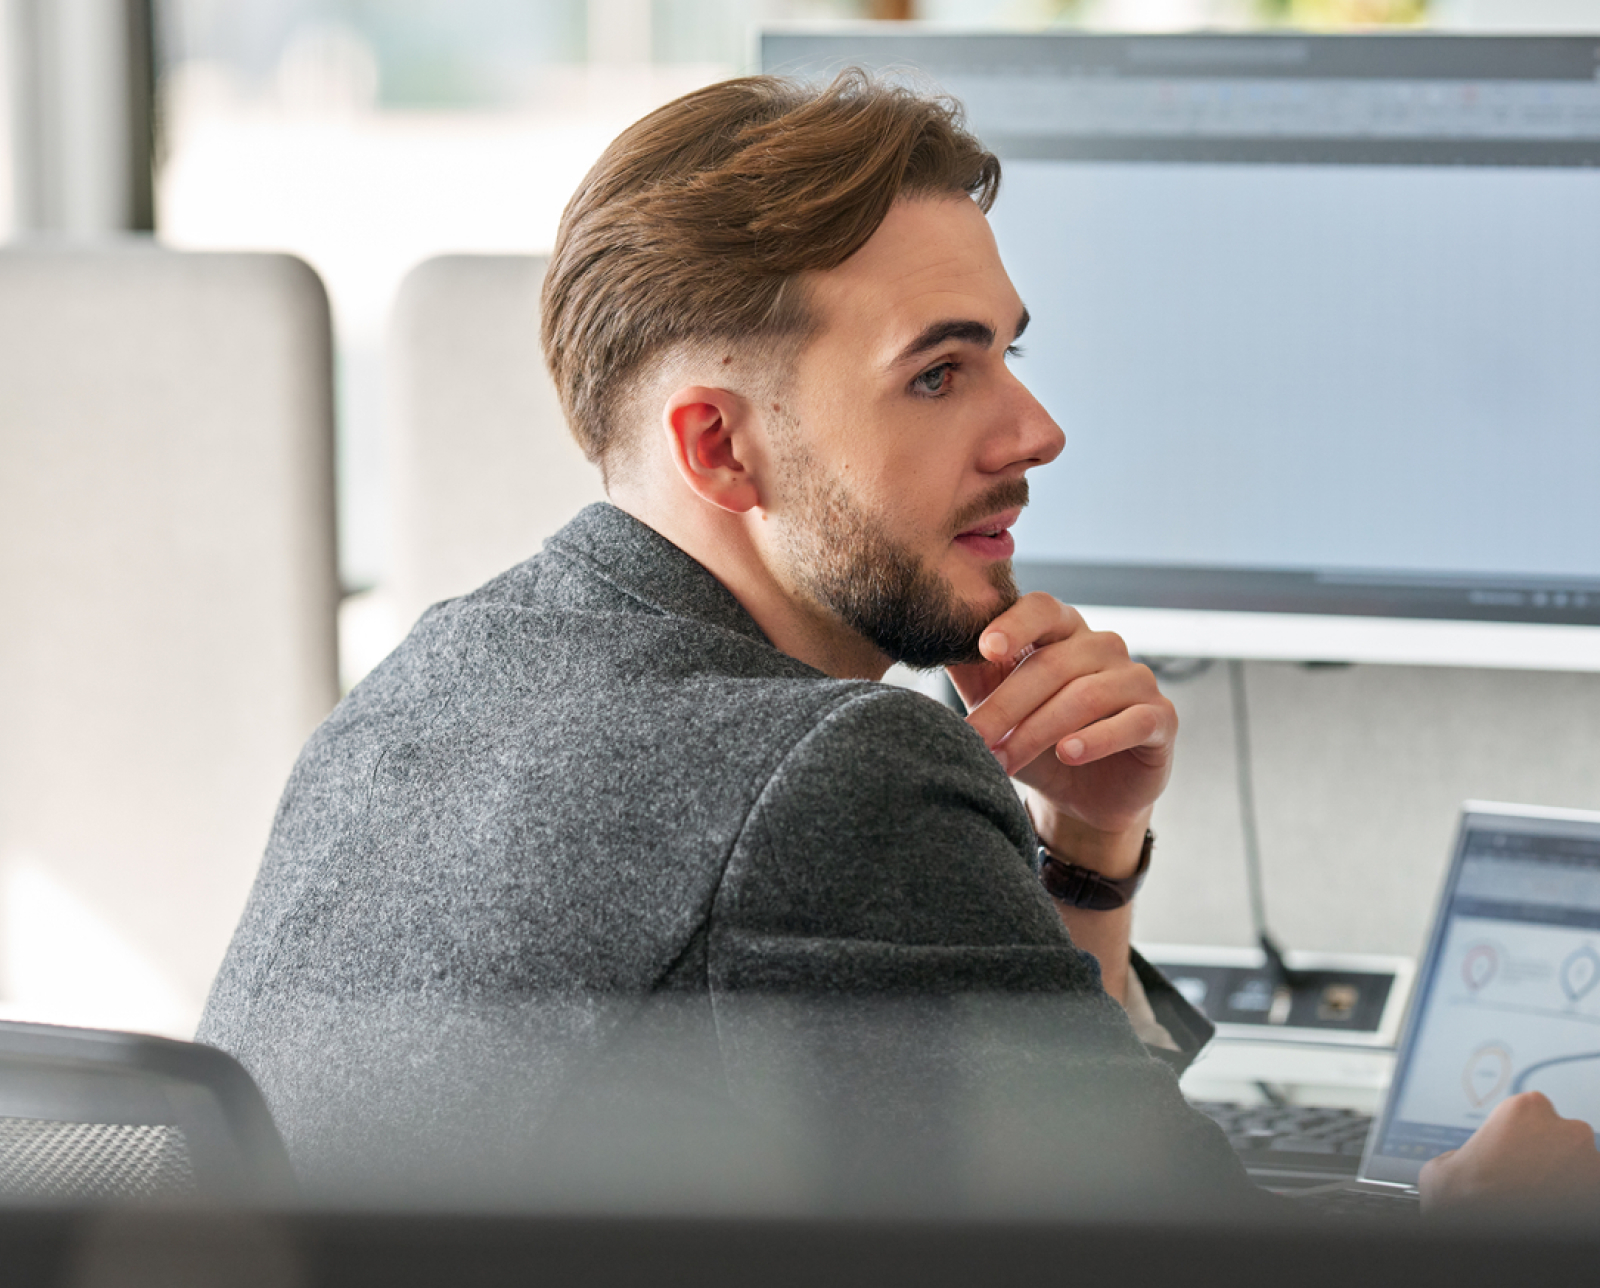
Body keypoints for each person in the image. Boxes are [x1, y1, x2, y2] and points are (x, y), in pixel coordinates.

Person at [198, 71, 1599, 1215]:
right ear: (721, 446)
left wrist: (1084, 848)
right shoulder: (833, 770)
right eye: (938, 372)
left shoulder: (427, 685)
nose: (1034, 432)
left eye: (1009, 351)